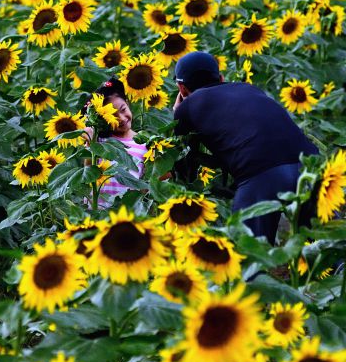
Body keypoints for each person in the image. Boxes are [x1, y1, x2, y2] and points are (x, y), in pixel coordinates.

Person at [172, 51, 318, 242]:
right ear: (221, 78)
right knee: (331, 245)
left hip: (261, 177)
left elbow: (182, 162)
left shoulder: (187, 107)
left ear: (182, 89)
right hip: (309, 165)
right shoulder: (250, 89)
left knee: (248, 257)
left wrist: (178, 112)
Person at [84, 78, 148, 207]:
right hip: (97, 212)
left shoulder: (144, 144)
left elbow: (143, 186)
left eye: (123, 109)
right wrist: (90, 142)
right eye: (113, 115)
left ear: (127, 103)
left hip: (126, 214)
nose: (122, 118)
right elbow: (87, 173)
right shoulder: (100, 141)